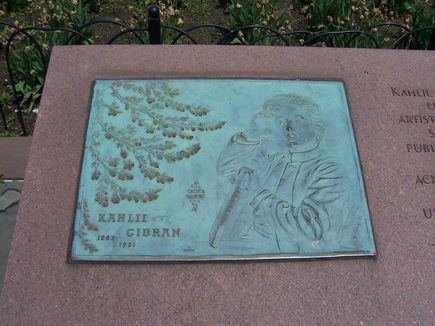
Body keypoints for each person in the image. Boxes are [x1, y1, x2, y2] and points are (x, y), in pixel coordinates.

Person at [209, 93, 344, 253]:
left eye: (297, 120)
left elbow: (311, 231)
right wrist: (252, 133)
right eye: (281, 121)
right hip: (242, 250)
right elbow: (225, 170)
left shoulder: (329, 169)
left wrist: (258, 194)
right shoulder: (275, 157)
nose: (288, 128)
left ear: (315, 125)